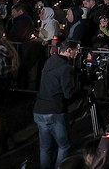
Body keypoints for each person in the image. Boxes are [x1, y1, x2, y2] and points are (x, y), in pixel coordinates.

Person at [34, 40, 80, 169]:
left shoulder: (50, 61)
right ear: (69, 50)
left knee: (45, 147)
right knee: (64, 146)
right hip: (54, 111)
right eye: (76, 50)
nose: (78, 53)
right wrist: (82, 90)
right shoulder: (66, 67)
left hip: (39, 109)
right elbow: (68, 94)